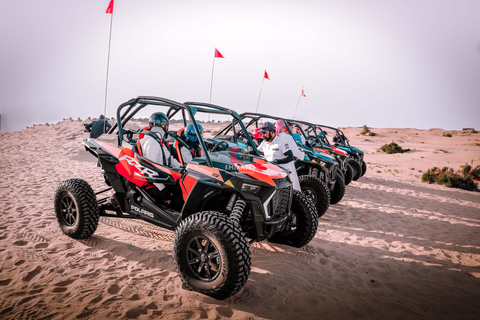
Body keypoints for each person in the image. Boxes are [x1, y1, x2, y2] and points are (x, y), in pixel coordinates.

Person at [257, 122, 300, 191]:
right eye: (262, 133)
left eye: (265, 133)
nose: (263, 135)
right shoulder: (264, 143)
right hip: (269, 173)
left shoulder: (281, 142)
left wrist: (276, 162)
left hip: (282, 176)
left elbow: (290, 157)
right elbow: (256, 152)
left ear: (272, 132)